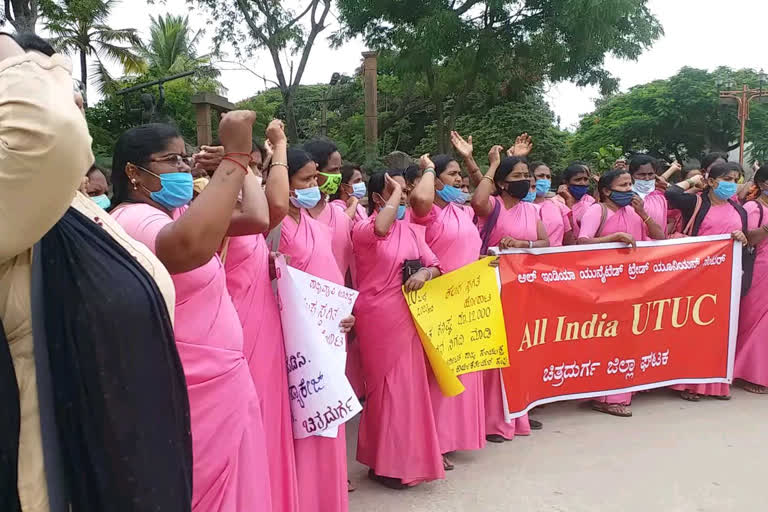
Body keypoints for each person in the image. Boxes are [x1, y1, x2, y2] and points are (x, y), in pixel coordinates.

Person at [2, 33, 192, 511]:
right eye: (51, 80)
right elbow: (51, 133)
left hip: (140, 468)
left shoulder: (80, 208)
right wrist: (8, 45)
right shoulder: (17, 215)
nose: (77, 101)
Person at [110, 113, 274, 512]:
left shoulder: (179, 214)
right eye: (172, 160)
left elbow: (257, 217)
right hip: (188, 388)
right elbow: (186, 249)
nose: (184, 168)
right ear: (134, 171)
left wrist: (240, 167)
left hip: (224, 381)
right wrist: (235, 158)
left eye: (186, 159)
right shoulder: (131, 220)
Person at [200, 121, 299, 512]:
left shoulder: (246, 211)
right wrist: (280, 148)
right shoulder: (214, 215)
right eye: (248, 169)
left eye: (257, 169)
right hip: (237, 330)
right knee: (247, 428)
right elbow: (275, 206)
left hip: (264, 325)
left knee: (270, 421)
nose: (253, 176)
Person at [353, 170, 445, 489]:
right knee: (384, 390)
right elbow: (381, 227)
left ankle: (401, 462)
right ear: (378, 198)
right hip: (377, 316)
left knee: (407, 389)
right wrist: (393, 195)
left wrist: (425, 275)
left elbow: (435, 264)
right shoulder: (363, 229)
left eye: (406, 192)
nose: (404, 197)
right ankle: (382, 462)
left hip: (409, 314)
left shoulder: (413, 231)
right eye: (396, 193)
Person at [278, 147, 354, 512]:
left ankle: (330, 497)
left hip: (330, 334)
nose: (315, 185)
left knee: (329, 415)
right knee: (306, 418)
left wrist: (343, 312)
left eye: (315, 177)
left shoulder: (314, 221)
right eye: (306, 179)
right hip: (297, 341)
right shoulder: (274, 229)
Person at [409, 153, 485, 468]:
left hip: (468, 300)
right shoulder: (427, 215)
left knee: (463, 369)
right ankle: (434, 443)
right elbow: (420, 200)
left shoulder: (463, 212)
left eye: (459, 174)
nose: (458, 180)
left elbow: (483, 196)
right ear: (436, 180)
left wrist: (475, 161)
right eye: (451, 174)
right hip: (436, 299)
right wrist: (428, 170)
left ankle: (453, 437)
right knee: (438, 374)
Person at [470, 147, 549, 442]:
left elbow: (545, 242)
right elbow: (478, 200)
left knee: (520, 352)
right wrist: (493, 165)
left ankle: (518, 412)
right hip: (493, 287)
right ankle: (493, 421)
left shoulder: (532, 209)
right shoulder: (493, 206)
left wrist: (522, 243)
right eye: (518, 176)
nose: (526, 181)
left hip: (524, 289)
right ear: (503, 183)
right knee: (495, 355)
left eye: (527, 176)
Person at [576, 169, 666, 417]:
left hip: (634, 284)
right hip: (604, 286)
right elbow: (582, 242)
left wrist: (644, 214)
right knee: (610, 340)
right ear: (606, 190)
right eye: (623, 185)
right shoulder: (597, 210)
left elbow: (660, 237)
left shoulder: (634, 212)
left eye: (630, 184)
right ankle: (606, 396)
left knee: (629, 337)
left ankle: (624, 388)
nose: (629, 189)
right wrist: (613, 237)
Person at [665, 161, 749, 401]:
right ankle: (686, 383)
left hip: (724, 279)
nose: (732, 185)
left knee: (718, 331)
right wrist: (693, 181)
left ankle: (713, 385)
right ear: (711, 182)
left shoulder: (738, 209)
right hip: (695, 277)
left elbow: (743, 242)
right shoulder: (696, 202)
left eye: (736, 180)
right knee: (691, 329)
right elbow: (671, 192)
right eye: (727, 179)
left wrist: (742, 237)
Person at [303, 138, 355, 280]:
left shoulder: (340, 216)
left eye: (339, 169)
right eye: (333, 170)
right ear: (315, 170)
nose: (338, 176)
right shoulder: (292, 216)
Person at [736, 165, 768, 393]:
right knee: (754, 322)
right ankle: (748, 373)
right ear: (764, 184)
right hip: (759, 268)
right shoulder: (753, 206)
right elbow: (747, 238)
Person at [530, 161, 574, 246]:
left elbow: (568, 237)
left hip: (555, 256)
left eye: (548, 177)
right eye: (541, 176)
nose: (545, 179)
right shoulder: (521, 206)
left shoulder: (558, 205)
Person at [629, 155, 669, 230]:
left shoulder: (661, 194)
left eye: (650, 174)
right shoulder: (625, 196)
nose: (647, 178)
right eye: (642, 174)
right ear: (632, 175)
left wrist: (666, 185)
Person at [557, 162, 595, 235]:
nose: (583, 183)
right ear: (566, 182)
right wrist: (569, 201)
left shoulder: (590, 201)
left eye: (585, 179)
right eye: (578, 180)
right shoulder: (556, 203)